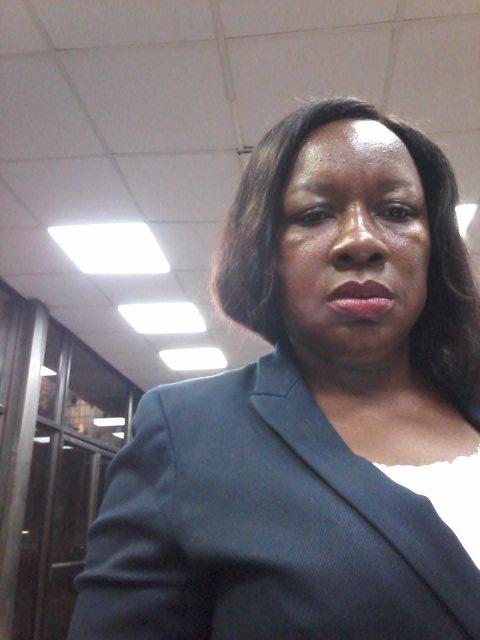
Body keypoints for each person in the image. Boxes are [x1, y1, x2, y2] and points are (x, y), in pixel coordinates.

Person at [67, 97, 480, 639]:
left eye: (397, 211)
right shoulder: (187, 434)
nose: (361, 240)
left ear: (433, 246)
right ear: (266, 253)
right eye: (314, 214)